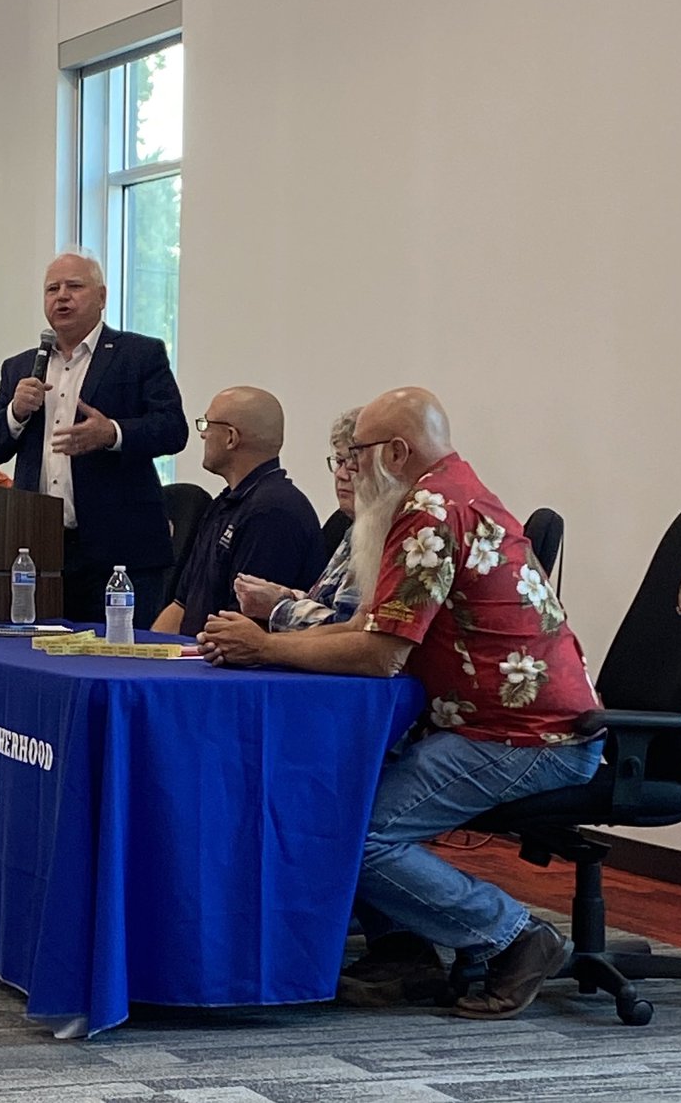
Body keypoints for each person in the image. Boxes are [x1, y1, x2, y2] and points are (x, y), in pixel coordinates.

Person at [199, 387, 604, 1022]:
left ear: (394, 450)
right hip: (496, 727)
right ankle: (404, 952)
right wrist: (270, 639)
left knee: (355, 833)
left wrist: (265, 649)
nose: (350, 467)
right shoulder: (448, 490)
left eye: (356, 454)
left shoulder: (431, 510)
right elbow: (369, 626)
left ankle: (518, 938)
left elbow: (380, 655)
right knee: (340, 799)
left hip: (528, 737)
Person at [0, 249, 188, 626]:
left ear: (102, 297)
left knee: (119, 662)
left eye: (74, 286)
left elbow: (173, 429)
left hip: (120, 550)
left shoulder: (139, 354)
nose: (62, 296)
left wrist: (113, 433)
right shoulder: (20, 367)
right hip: (43, 549)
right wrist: (16, 412)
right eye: (52, 289)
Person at [151, 386, 327, 638]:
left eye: (207, 425)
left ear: (231, 437)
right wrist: (149, 657)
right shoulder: (224, 503)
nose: (202, 435)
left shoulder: (273, 513)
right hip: (197, 657)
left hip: (231, 665)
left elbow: (247, 626)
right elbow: (182, 604)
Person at [233, 406, 361, 631]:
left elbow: (349, 632)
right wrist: (284, 595)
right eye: (339, 462)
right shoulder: (350, 526)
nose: (341, 474)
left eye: (353, 464)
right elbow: (326, 604)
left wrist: (276, 606)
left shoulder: (390, 533)